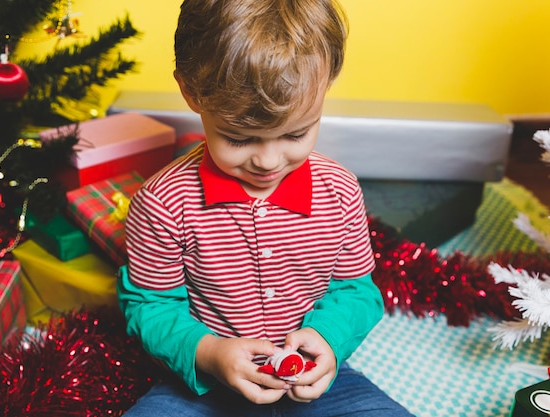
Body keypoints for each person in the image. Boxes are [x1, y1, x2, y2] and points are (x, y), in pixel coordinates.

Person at [117, 0, 415, 416]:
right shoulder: (163, 201)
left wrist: (327, 340)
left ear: (326, 83)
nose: (268, 162)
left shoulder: (340, 190)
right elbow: (151, 306)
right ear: (190, 91)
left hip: (317, 383)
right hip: (205, 385)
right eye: (239, 139)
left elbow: (356, 291)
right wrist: (210, 354)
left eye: (295, 134)